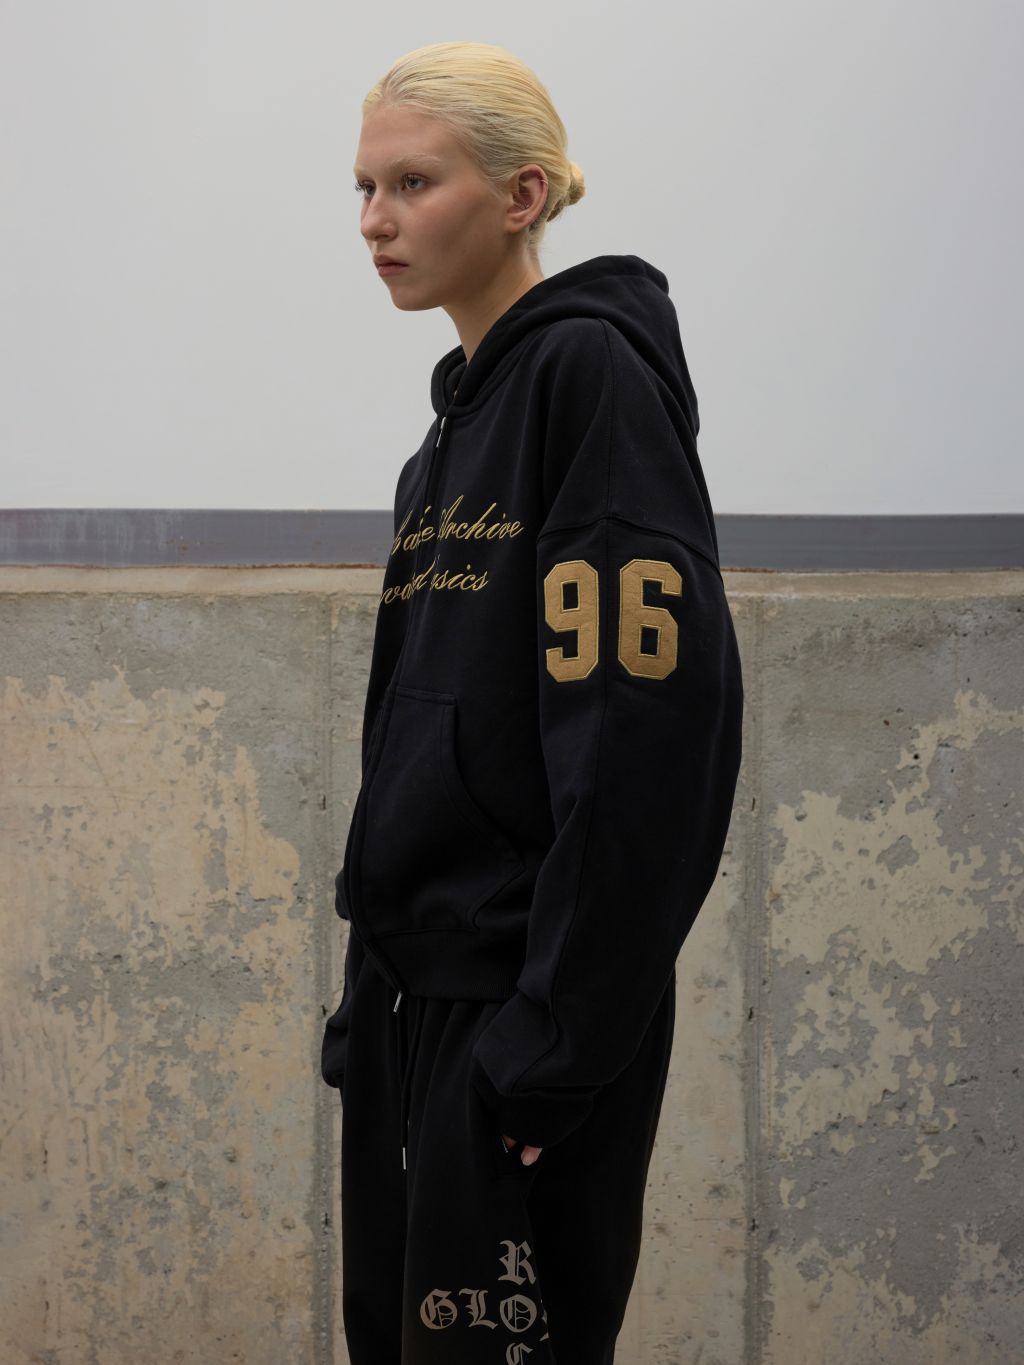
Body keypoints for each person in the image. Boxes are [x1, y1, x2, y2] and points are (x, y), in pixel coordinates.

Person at [321, 40, 744, 1365]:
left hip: (520, 1018)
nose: (376, 220)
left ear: (523, 195)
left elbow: (644, 739)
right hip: (414, 1016)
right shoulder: (442, 446)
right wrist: (368, 1010)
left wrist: (553, 1040)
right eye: (364, 187)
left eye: (414, 183)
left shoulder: (589, 381)